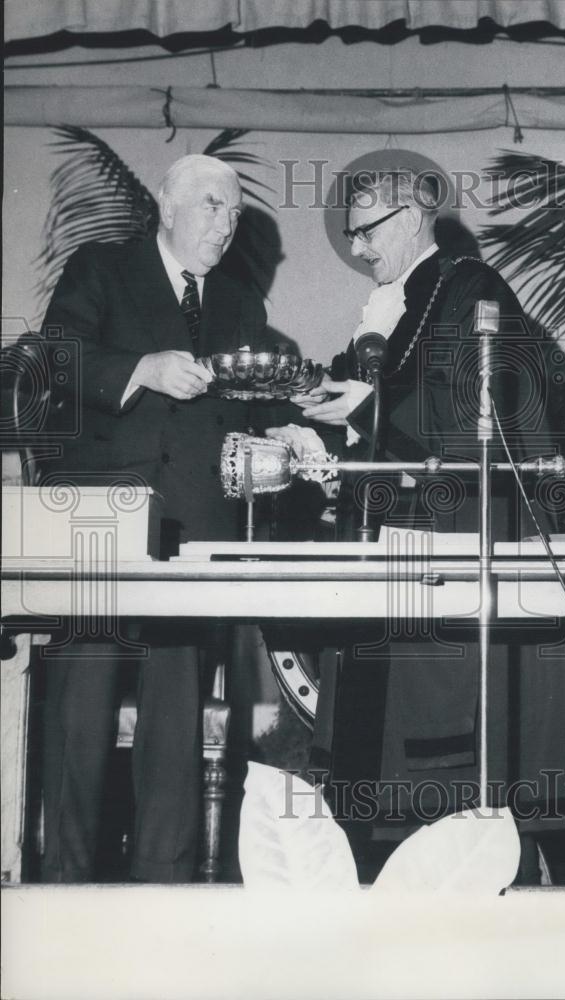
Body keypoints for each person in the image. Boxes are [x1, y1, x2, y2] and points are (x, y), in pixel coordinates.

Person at [267, 169, 565, 865]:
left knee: (444, 774)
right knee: (377, 753)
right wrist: (323, 438)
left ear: (411, 219)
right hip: (398, 545)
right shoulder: (395, 307)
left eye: (366, 230)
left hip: (457, 543)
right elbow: (382, 428)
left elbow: (483, 425)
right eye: (350, 232)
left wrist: (362, 410)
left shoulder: (471, 291)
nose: (357, 247)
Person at [39, 154, 267, 882]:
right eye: (209, 205)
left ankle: (162, 887)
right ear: (166, 206)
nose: (224, 225)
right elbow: (55, 360)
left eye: (233, 212)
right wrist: (141, 368)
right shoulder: (102, 268)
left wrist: (289, 430)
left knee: (175, 716)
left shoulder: (240, 303)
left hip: (192, 533)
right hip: (100, 523)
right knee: (81, 710)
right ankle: (64, 881)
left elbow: (245, 410)